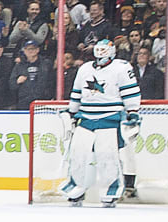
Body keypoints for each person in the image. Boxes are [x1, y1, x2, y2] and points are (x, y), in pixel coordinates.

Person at [60, 38, 143, 206]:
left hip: (110, 118)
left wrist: (133, 112)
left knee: (107, 155)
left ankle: (110, 190)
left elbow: (130, 92)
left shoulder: (122, 67)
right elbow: (77, 92)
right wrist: (72, 111)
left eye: (104, 51)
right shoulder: (84, 68)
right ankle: (76, 188)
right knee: (77, 153)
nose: (101, 55)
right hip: (86, 118)